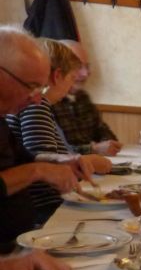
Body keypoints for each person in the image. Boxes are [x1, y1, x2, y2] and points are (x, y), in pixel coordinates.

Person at [0, 25, 89, 251]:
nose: (37, 100)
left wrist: (59, 161)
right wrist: (37, 171)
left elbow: (24, 158)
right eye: (32, 87)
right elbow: (29, 169)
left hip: (19, 244)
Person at [6, 38, 110, 223]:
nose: (70, 88)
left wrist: (70, 159)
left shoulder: (38, 105)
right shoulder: (36, 105)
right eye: (71, 78)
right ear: (57, 75)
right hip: (43, 210)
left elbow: (31, 157)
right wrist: (88, 160)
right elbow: (40, 163)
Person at [52, 39, 122, 156]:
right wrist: (93, 149)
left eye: (87, 66)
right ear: (58, 70)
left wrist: (107, 144)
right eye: (78, 66)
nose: (86, 73)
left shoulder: (83, 97)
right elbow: (56, 152)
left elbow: (104, 132)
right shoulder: (47, 102)